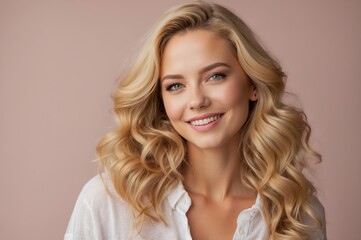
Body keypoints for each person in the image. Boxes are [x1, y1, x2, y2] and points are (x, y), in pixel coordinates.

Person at [65, 1, 327, 239]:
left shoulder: (297, 213)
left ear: (252, 84)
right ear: (161, 101)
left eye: (215, 76)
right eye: (175, 86)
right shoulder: (108, 203)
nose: (197, 100)